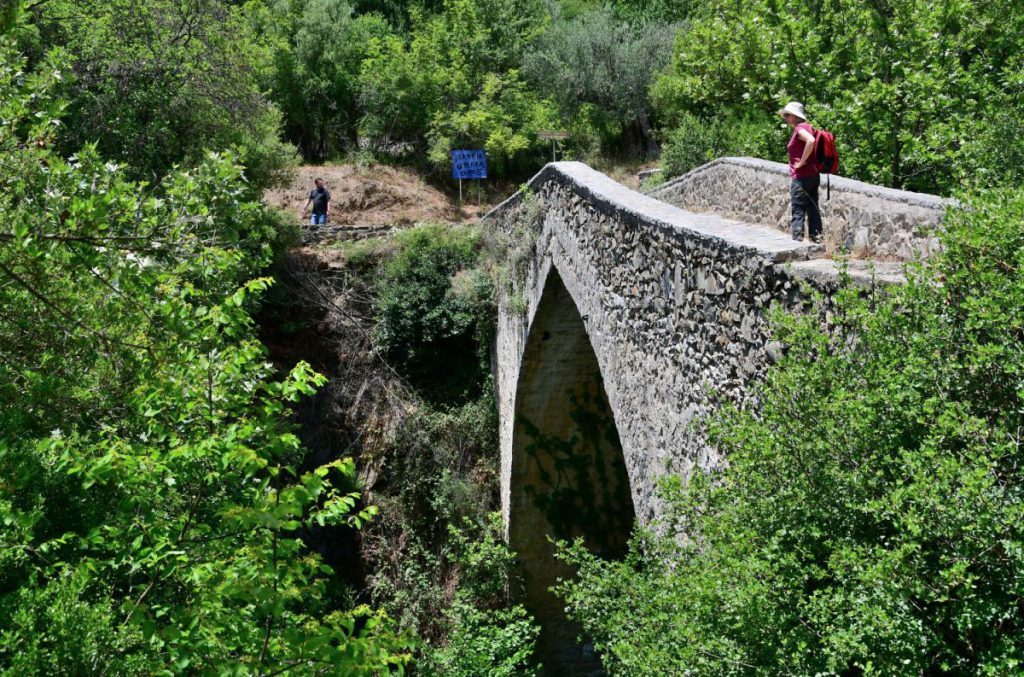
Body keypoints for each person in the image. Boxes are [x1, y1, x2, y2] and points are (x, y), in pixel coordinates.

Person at [779, 101, 821, 242]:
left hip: (802, 177)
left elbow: (811, 141)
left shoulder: (799, 128)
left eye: (787, 115)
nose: (785, 117)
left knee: (798, 210)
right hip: (813, 175)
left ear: (795, 116)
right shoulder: (809, 127)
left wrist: (801, 162)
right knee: (813, 208)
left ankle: (796, 242)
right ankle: (817, 240)